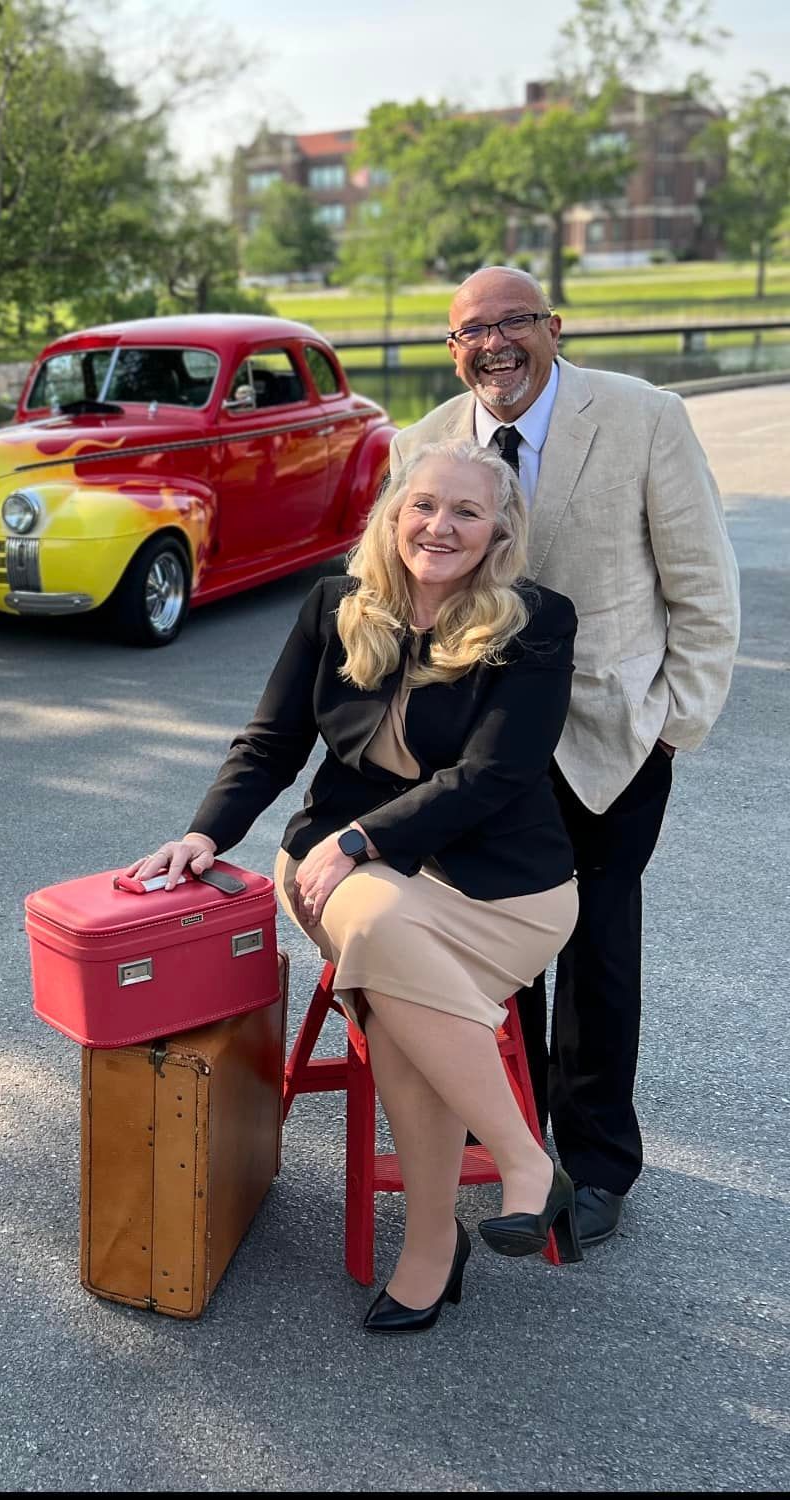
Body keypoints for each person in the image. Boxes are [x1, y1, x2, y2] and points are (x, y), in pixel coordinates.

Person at [127, 438, 581, 1336]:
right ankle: (523, 1166)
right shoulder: (336, 604)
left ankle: (441, 1240)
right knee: (373, 924)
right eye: (423, 505)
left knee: (383, 979)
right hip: (338, 862)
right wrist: (203, 833)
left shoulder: (536, 620)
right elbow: (269, 743)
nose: (439, 526)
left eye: (466, 511)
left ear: (498, 530)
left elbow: (497, 774)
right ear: (393, 510)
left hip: (502, 886)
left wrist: (370, 835)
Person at [389, 266, 741, 1249]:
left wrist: (674, 721)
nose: (493, 346)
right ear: (450, 347)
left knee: (594, 952)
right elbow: (395, 596)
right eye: (471, 332)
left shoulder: (642, 417)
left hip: (608, 742)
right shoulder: (419, 447)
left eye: (513, 324)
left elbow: (703, 591)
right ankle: (513, 1149)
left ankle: (596, 1165)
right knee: (488, 949)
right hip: (471, 756)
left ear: (552, 326)